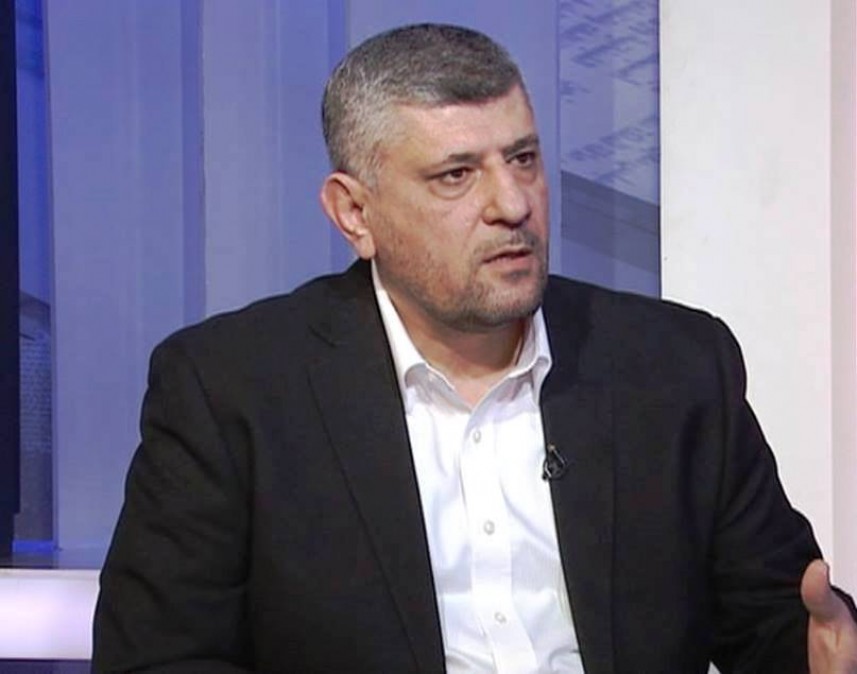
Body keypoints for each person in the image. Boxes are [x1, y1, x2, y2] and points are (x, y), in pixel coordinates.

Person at [92, 23, 857, 674]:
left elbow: (780, 621)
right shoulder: (232, 389)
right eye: (456, 175)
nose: (512, 204)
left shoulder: (672, 364)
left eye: (522, 159)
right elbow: (160, 658)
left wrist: (825, 651)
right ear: (354, 214)